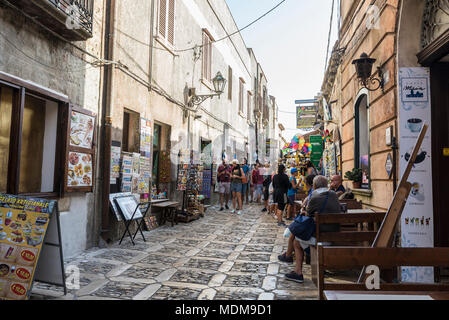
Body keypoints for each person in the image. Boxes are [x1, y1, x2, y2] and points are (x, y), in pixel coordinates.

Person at [285, 175, 341, 283]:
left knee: (296, 242)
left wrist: (304, 211)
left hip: (321, 236)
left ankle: (298, 272)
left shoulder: (315, 197)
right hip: (334, 234)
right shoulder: (334, 195)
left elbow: (308, 213)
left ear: (314, 186)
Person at [278, 174, 316, 264]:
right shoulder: (317, 193)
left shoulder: (314, 194)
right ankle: (288, 254)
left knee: (295, 233)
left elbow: (308, 210)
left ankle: (288, 255)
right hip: (317, 226)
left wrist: (304, 210)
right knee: (294, 231)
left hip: (313, 229)